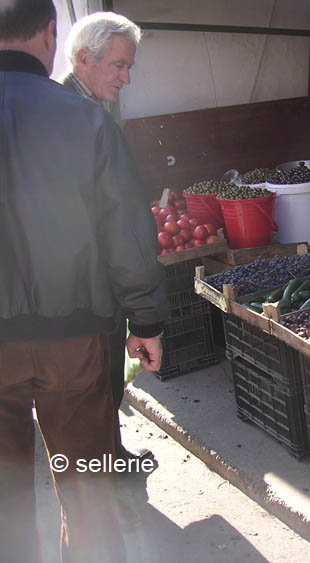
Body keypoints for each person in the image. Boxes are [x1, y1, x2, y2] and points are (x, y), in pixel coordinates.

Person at [0, 0, 170, 560]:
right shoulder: (87, 120)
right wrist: (146, 321)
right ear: (52, 35)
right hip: (73, 342)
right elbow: (127, 233)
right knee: (87, 486)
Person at [60, 12, 150, 462]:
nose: (126, 78)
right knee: (94, 386)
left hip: (71, 289)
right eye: (119, 65)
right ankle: (103, 469)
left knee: (97, 389)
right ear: (83, 58)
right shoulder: (75, 119)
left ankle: (107, 454)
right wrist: (143, 316)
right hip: (84, 293)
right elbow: (117, 227)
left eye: (129, 66)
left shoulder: (84, 111)